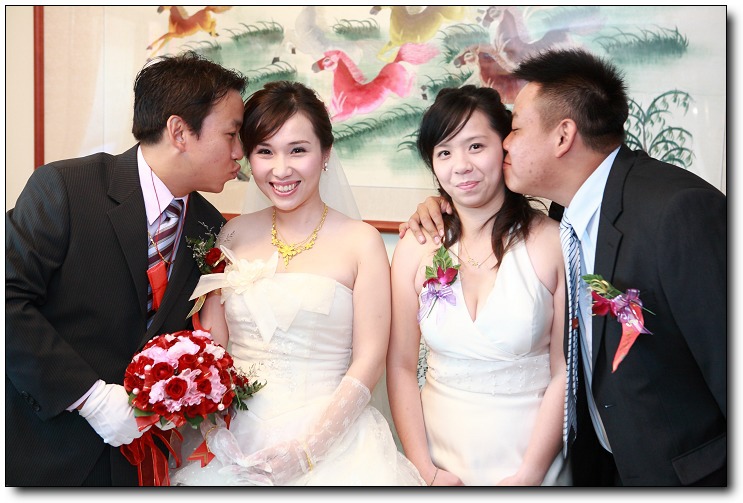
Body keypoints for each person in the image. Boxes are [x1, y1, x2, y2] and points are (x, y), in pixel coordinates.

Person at [401, 48, 726, 486]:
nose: (506, 144)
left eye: (515, 129)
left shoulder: (675, 210)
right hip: (601, 464)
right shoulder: (568, 214)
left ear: (563, 136)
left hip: (685, 475)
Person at [5, 51, 246, 486]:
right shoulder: (67, 188)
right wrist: (91, 399)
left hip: (142, 463)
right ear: (179, 132)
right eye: (231, 134)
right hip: (46, 452)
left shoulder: (210, 226)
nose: (240, 152)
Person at [169, 80, 425, 486]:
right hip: (235, 441)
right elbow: (212, 347)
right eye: (265, 151)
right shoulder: (231, 234)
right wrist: (215, 431)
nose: (281, 169)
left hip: (333, 443)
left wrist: (308, 450)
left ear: (326, 153)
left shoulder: (362, 242)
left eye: (298, 150)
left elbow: (370, 359)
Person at [386, 85, 568, 486]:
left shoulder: (550, 242)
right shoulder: (415, 247)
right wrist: (425, 470)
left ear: (505, 147)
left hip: (531, 461)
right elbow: (400, 366)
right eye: (444, 152)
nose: (461, 166)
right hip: (439, 460)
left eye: (475, 146)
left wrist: (530, 475)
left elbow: (564, 370)